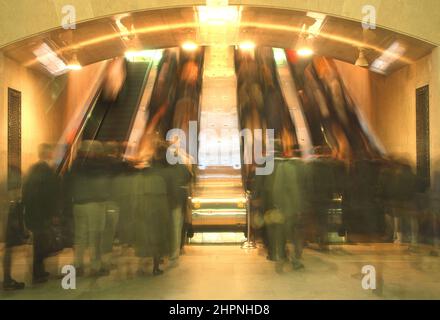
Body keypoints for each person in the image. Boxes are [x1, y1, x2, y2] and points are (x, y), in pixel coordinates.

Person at [66, 140, 110, 276]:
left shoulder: (75, 164)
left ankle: (78, 265)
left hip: (78, 204)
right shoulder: (98, 165)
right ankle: (95, 266)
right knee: (95, 236)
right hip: (95, 204)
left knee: (80, 237)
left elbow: (68, 184)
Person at [134, 141, 174, 275]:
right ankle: (156, 265)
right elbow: (171, 189)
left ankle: (142, 265)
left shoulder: (147, 170)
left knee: (145, 235)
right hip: (160, 204)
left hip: (146, 203)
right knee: (159, 235)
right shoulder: (167, 171)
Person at [22, 143, 59, 283]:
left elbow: (25, 191)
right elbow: (51, 194)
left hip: (33, 211)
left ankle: (39, 270)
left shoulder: (32, 169)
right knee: (42, 242)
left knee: (39, 241)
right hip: (42, 213)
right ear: (48, 153)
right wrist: (54, 213)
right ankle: (38, 272)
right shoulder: (47, 171)